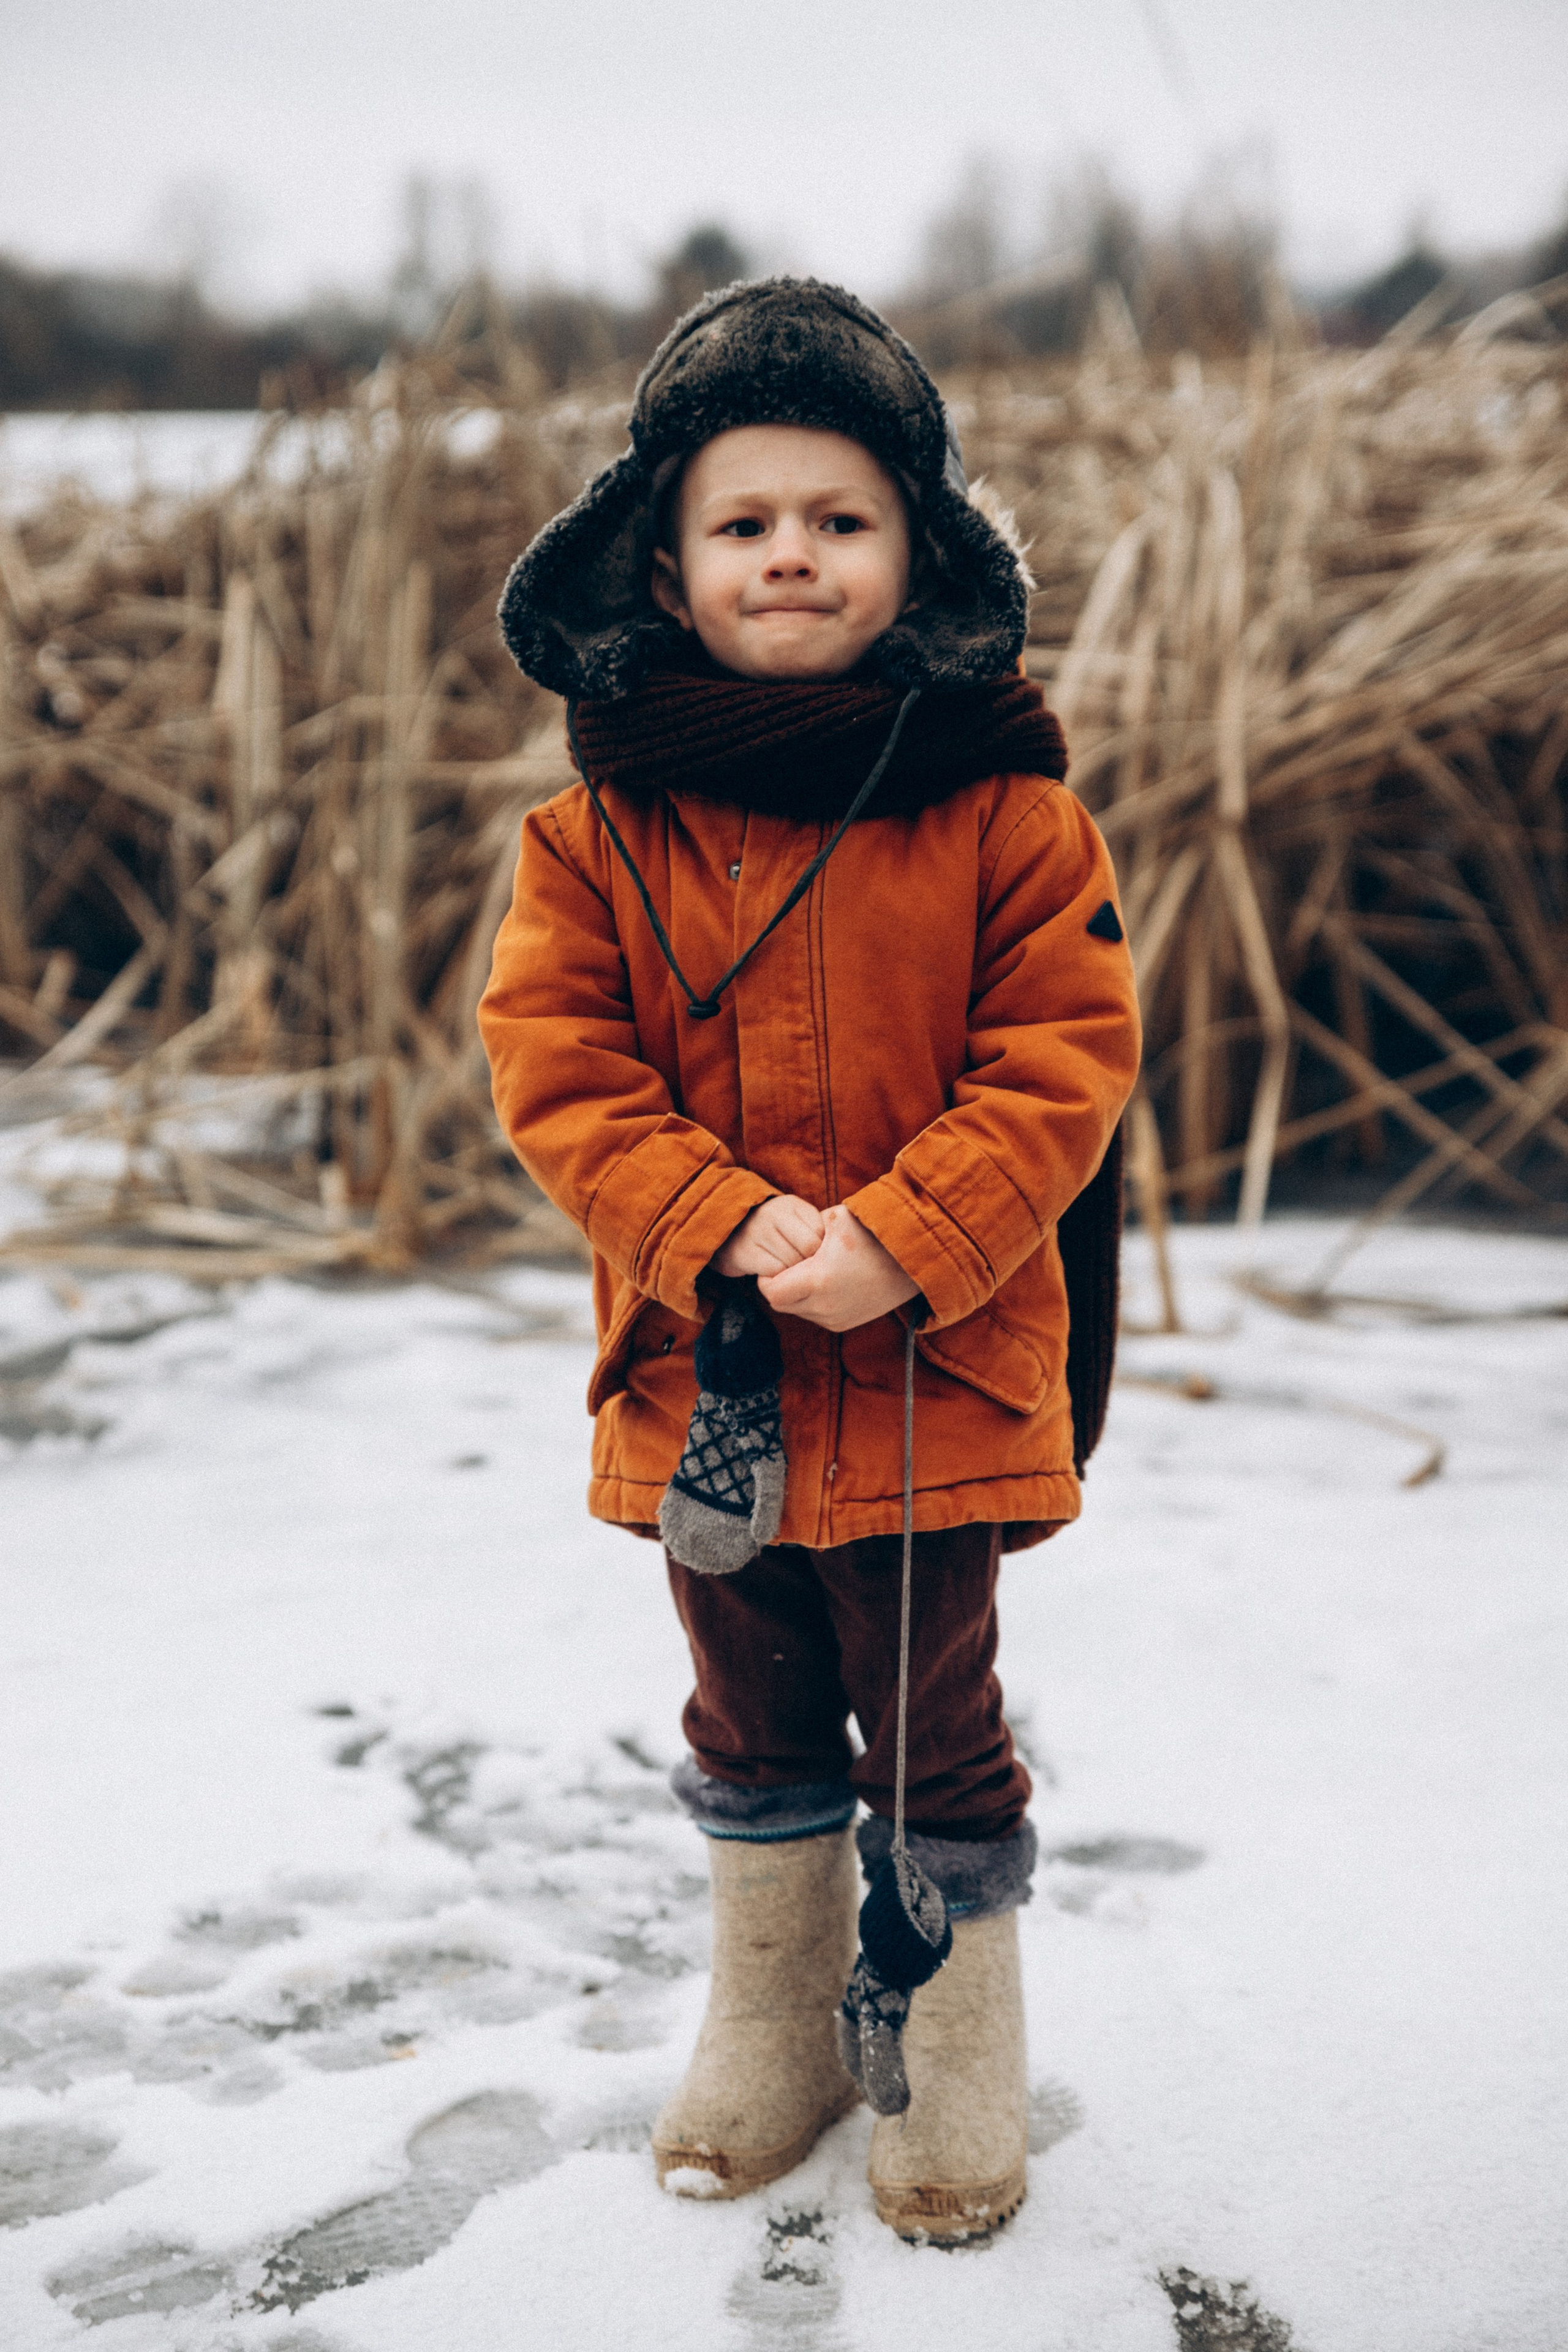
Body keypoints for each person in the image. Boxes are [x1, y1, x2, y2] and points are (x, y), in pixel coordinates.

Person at [479, 278, 1140, 2241]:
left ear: (919, 554)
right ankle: (770, 2019)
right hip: (715, 1398)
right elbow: (561, 1072)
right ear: (664, 570)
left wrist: (905, 1239)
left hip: (941, 1385)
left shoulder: (1014, 813)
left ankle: (948, 2046)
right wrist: (720, 1228)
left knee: (939, 1726)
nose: (792, 554)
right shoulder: (591, 836)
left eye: (841, 521)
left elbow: (1062, 1063)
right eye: (744, 522)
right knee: (747, 1714)